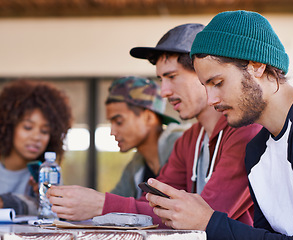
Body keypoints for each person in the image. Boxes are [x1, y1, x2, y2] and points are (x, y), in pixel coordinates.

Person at [47, 24, 261, 227]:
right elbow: (154, 204)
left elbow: (207, 215)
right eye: (160, 79)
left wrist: (101, 205)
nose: (164, 91)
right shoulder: (188, 140)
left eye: (172, 76)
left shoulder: (246, 130)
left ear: (204, 72)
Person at [145, 10, 293, 239]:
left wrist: (209, 222)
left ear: (256, 66)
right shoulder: (257, 150)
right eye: (205, 86)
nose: (211, 100)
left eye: (217, 83)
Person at [0, 80, 72, 215]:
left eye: (44, 131)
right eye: (28, 127)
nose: (36, 137)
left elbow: (60, 216)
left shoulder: (47, 174)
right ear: (8, 126)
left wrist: (9, 203)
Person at [106, 76, 184, 198]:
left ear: (149, 117)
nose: (112, 132)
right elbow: (115, 200)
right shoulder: (135, 166)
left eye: (119, 122)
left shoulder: (181, 146)